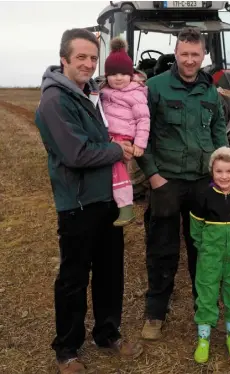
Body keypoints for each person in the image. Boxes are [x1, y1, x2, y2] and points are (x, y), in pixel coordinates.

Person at [35, 28, 143, 374]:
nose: (88, 63)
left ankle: (107, 334)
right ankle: (67, 348)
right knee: (74, 277)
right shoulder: (55, 101)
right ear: (64, 58)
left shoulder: (92, 94)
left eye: (93, 58)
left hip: (106, 198)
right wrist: (117, 149)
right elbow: (76, 153)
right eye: (80, 57)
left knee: (110, 272)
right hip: (77, 203)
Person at [136, 27, 229, 340]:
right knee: (162, 248)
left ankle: (204, 307)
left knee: (203, 249)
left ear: (204, 56)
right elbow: (142, 136)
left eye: (195, 54)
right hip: (167, 182)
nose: (190, 60)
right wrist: (153, 176)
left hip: (203, 182)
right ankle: (155, 313)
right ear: (176, 54)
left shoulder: (209, 91)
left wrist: (221, 168)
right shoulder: (155, 87)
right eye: (184, 54)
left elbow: (218, 130)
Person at [189, 146, 230, 363]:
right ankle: (203, 339)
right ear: (212, 172)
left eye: (229, 171)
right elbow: (196, 227)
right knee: (206, 292)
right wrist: (206, 246)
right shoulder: (204, 196)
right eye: (219, 171)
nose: (224, 176)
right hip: (210, 254)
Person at [100, 37, 150, 226]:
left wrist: (139, 144)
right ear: (106, 76)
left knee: (116, 167)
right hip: (107, 136)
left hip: (123, 137)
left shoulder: (135, 93)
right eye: (113, 74)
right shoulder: (103, 92)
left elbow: (143, 119)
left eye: (123, 73)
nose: (118, 77)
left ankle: (126, 207)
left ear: (131, 74)